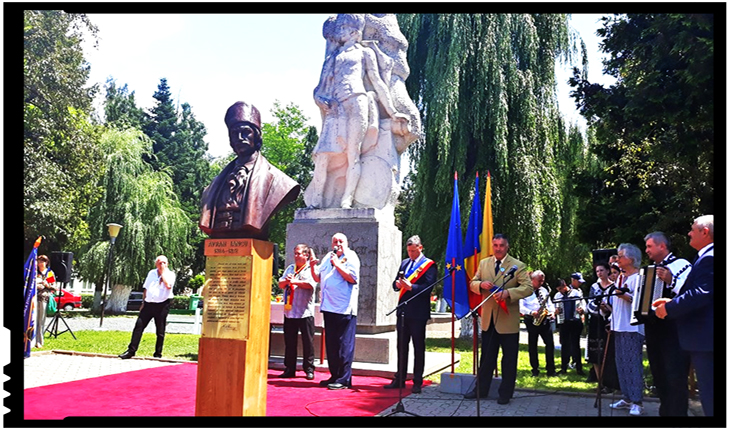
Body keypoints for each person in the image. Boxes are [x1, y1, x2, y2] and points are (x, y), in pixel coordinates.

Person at [305, 13, 409, 209]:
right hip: (336, 108)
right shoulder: (333, 57)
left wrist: (393, 112)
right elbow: (319, 89)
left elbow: (378, 83)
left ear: (354, 31)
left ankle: (347, 198)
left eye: (343, 28)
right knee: (322, 154)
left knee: (353, 154)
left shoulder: (365, 53)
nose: (339, 32)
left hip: (357, 103)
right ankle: (317, 199)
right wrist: (320, 100)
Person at [199, 101, 300, 240]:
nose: (240, 138)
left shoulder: (281, 182)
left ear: (257, 136)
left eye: (246, 132)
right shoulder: (213, 186)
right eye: (235, 133)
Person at [653, 215, 714, 417]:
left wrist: (669, 308)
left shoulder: (710, 258)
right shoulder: (704, 257)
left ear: (705, 232)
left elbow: (701, 294)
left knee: (711, 396)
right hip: (702, 339)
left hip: (706, 340)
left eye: (692, 229)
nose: (688, 233)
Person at [464, 233, 532, 404]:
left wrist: (508, 293)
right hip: (489, 320)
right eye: (495, 245)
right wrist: (480, 285)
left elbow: (528, 288)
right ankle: (481, 390)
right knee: (486, 358)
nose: (498, 249)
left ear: (507, 246)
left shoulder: (517, 266)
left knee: (508, 360)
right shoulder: (484, 263)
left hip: (507, 320)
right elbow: (472, 283)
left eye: (502, 245)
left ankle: (505, 393)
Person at [642, 231, 692, 416]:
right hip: (655, 330)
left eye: (649, 246)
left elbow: (688, 293)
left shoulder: (681, 265)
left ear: (662, 246)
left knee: (675, 377)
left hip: (674, 330)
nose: (646, 250)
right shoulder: (650, 269)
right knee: (660, 376)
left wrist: (671, 280)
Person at [384, 235, 437, 394]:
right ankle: (400, 378)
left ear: (420, 248)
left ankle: (417, 381)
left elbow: (428, 288)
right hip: (403, 311)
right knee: (401, 346)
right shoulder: (405, 263)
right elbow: (395, 283)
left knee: (418, 347)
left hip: (418, 313)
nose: (411, 254)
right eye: (409, 251)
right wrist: (397, 284)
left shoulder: (429, 265)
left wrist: (411, 288)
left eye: (414, 251)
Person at [309, 233, 360, 390]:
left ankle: (344, 379)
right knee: (331, 344)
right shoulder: (328, 257)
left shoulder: (351, 256)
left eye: (341, 241)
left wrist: (337, 264)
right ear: (332, 244)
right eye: (335, 241)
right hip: (329, 307)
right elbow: (318, 278)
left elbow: (352, 278)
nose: (338, 243)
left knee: (344, 344)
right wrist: (312, 266)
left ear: (346, 243)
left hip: (344, 308)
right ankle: (335, 375)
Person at [608, 243, 646, 416]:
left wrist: (623, 295)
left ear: (631, 259)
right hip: (618, 326)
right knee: (621, 363)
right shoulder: (620, 278)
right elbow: (615, 303)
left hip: (632, 328)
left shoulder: (638, 278)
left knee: (632, 364)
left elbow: (638, 302)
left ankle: (637, 401)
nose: (617, 259)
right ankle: (627, 397)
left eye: (620, 256)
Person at [119, 255, 175, 359]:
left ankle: (158, 353)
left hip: (162, 304)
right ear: (156, 264)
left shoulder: (170, 274)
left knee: (160, 330)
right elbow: (146, 288)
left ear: (167, 264)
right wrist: (143, 302)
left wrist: (163, 273)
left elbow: (168, 286)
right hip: (148, 304)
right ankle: (131, 351)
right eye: (159, 262)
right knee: (138, 326)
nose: (161, 264)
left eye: (164, 262)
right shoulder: (151, 273)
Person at [277, 244, 317, 380]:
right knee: (290, 341)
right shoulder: (290, 268)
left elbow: (311, 285)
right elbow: (280, 284)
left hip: (305, 312)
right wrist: (286, 281)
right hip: (290, 311)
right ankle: (289, 368)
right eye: (295, 253)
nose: (296, 256)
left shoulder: (311, 269)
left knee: (308, 342)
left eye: (299, 253)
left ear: (306, 255)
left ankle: (309, 369)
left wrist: (296, 282)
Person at [585, 262, 620, 391]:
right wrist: (599, 309)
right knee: (595, 352)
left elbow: (616, 307)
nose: (599, 273)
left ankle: (609, 383)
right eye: (597, 271)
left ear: (607, 271)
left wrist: (607, 310)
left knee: (608, 352)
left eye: (601, 270)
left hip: (608, 322)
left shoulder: (613, 287)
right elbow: (590, 303)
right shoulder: (594, 287)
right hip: (595, 321)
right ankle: (600, 382)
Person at [518, 270, 557, 377]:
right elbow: (521, 307)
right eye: (539, 281)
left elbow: (549, 303)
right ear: (532, 280)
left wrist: (552, 312)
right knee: (533, 345)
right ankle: (535, 369)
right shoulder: (525, 290)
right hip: (531, 319)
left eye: (543, 281)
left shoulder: (544, 290)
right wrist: (531, 312)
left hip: (545, 319)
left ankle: (551, 369)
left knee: (550, 344)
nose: (541, 283)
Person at [554, 279, 585, 376]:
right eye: (558, 289)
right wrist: (556, 312)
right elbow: (554, 308)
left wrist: (581, 310)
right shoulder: (557, 296)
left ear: (565, 285)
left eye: (561, 288)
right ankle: (563, 368)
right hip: (564, 322)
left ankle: (579, 368)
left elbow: (583, 304)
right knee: (564, 345)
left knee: (575, 345)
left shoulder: (576, 293)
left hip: (575, 321)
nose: (560, 291)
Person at [35, 255, 57, 348]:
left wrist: (46, 284)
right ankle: (31, 340)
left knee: (41, 320)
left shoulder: (49, 273)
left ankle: (39, 341)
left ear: (46, 263)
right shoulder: (35, 272)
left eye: (42, 261)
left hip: (44, 298)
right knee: (34, 319)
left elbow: (53, 287)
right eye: (39, 261)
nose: (40, 263)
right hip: (34, 298)